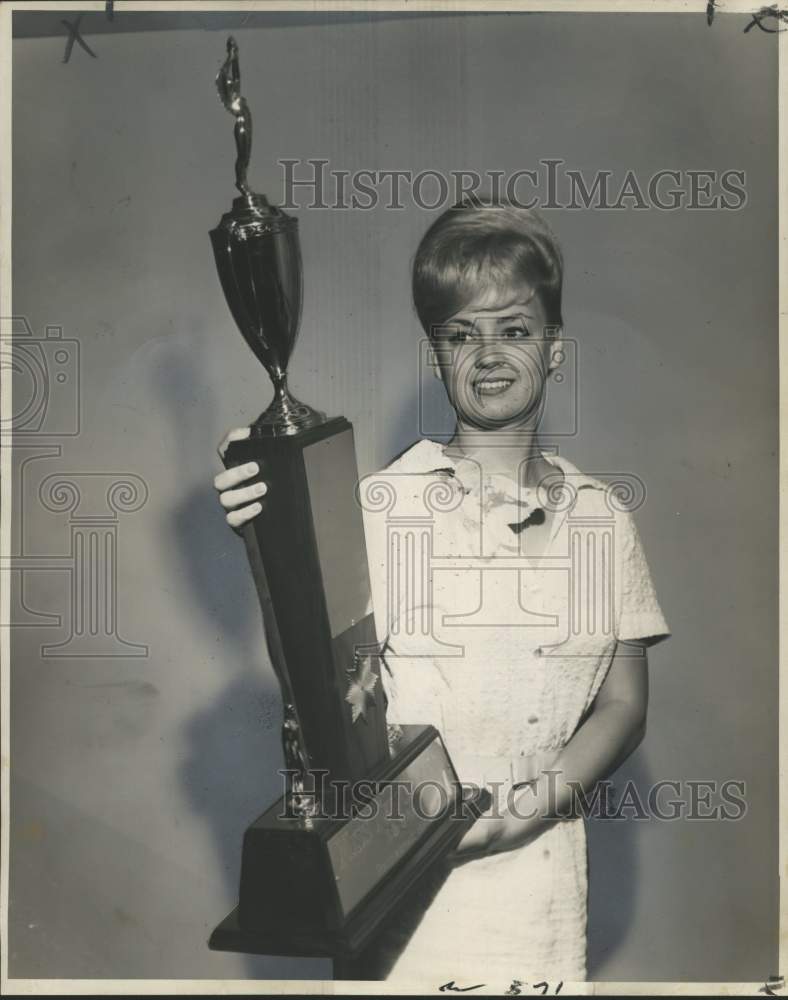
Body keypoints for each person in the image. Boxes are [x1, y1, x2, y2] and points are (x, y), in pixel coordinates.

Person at [213, 197, 671, 986]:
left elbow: (623, 701)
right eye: (461, 333)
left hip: (542, 890)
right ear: (437, 353)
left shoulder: (602, 515)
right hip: (405, 896)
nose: (488, 353)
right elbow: (323, 699)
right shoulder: (381, 510)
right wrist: (276, 543)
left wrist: (525, 811)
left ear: (556, 346)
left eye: (515, 329)